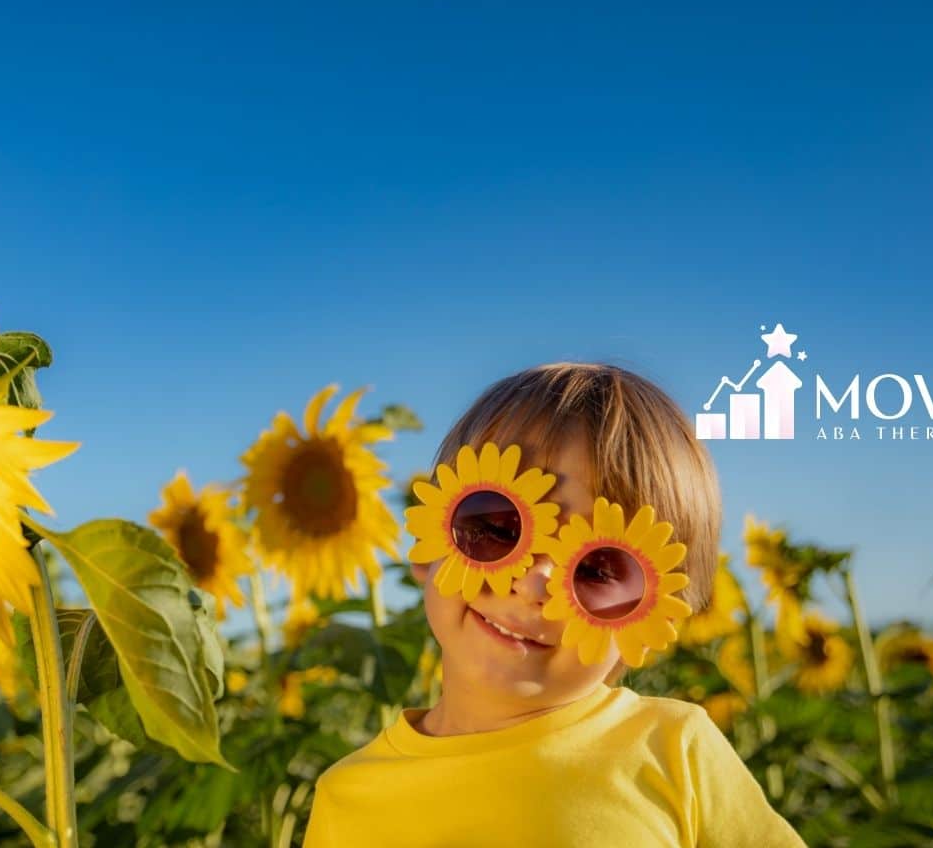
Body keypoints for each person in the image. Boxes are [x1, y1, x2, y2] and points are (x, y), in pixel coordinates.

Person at [302, 362, 805, 847]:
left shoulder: (673, 750)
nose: (535, 585)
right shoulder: (347, 797)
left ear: (651, 622)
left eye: (598, 570)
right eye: (497, 527)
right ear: (426, 542)